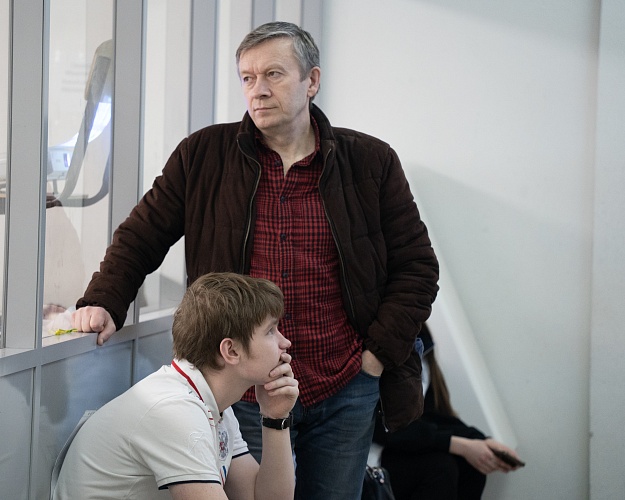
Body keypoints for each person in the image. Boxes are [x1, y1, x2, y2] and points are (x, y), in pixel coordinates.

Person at [72, 21, 439, 499]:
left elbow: (417, 267)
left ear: (311, 80)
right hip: (241, 388)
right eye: (247, 77)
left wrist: (376, 357)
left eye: (273, 75)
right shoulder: (204, 155)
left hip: (343, 385)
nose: (258, 90)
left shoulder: (371, 161)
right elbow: (142, 235)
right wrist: (104, 299)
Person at [54, 272, 298, 499]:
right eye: (270, 331)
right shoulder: (176, 411)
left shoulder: (210, 401)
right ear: (231, 350)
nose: (285, 342)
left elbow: (259, 497)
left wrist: (275, 417)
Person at [373, 324, 523, 500]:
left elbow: (432, 416)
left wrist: (479, 440)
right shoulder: (380, 343)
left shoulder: (422, 348)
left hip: (397, 449)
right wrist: (458, 445)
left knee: (470, 465)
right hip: (372, 455)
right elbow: (381, 426)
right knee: (441, 468)